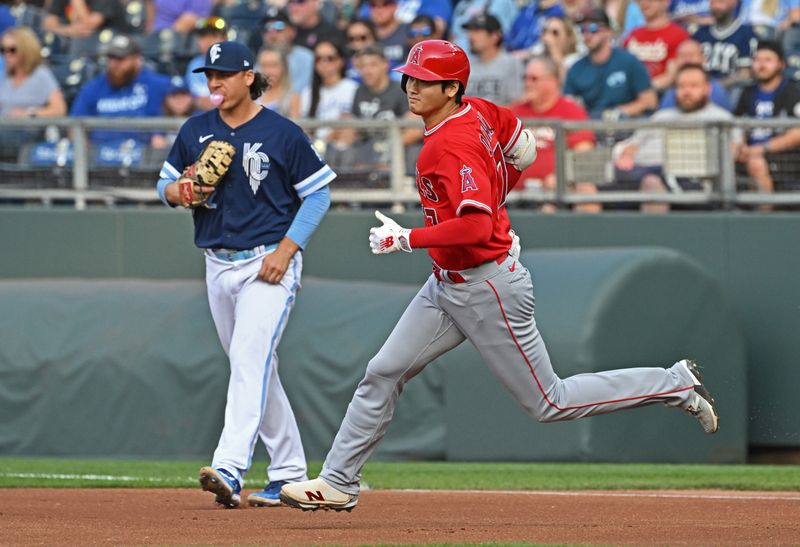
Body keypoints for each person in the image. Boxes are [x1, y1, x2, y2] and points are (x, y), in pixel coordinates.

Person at [279, 39, 720, 512]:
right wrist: (497, 191)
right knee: (383, 371)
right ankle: (339, 481)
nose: (410, 86)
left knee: (550, 401)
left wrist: (406, 239)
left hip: (487, 285)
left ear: (451, 88)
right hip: (449, 283)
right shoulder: (481, 110)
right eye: (409, 76)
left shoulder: (448, 145)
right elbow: (524, 149)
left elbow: (475, 225)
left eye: (423, 80)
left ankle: (672, 384)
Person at [155, 40, 335, 509]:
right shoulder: (196, 129)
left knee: (249, 358)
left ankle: (231, 467)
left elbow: (317, 196)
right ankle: (291, 474)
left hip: (267, 263)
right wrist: (181, 190)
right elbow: (164, 184)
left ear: (249, 77)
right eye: (209, 75)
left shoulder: (282, 132)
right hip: (217, 262)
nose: (215, 82)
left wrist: (286, 250)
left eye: (225, 74)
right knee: (253, 366)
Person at [614, 63, 742, 212]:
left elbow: (732, 152)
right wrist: (626, 154)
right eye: (681, 86)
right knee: (589, 186)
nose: (686, 92)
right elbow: (632, 145)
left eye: (694, 86)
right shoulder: (660, 117)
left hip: (690, 179)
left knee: (652, 182)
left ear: (708, 88)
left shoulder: (722, 119)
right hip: (638, 173)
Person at [511, 55, 600, 212]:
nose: (527, 83)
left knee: (586, 189)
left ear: (553, 81)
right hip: (514, 194)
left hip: (557, 192)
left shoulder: (571, 111)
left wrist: (561, 177)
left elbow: (583, 156)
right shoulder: (515, 112)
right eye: (525, 78)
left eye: (534, 79)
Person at [69, 34, 170, 144]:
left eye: (121, 59)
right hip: (100, 155)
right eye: (111, 58)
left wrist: (159, 137)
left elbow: (178, 113)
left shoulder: (157, 85)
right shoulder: (93, 88)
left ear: (137, 59)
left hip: (145, 155)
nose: (114, 64)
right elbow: (75, 127)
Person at [564, 8, 658, 119]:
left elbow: (650, 101)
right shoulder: (576, 69)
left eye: (593, 28)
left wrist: (618, 112)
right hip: (591, 126)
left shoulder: (628, 61)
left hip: (628, 126)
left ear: (609, 31)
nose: (587, 34)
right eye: (582, 29)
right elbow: (568, 105)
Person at [734, 40, 800, 195]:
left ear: (781, 64)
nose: (761, 65)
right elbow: (736, 125)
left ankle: (764, 216)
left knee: (756, 163)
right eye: (757, 60)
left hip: (785, 158)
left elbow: (798, 133)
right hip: (747, 154)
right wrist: (741, 146)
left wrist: (762, 149)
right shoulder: (747, 92)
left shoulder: (793, 91)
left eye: (768, 60)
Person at [343, 45, 422, 168]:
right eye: (362, 66)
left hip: (396, 154)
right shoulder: (360, 91)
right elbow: (352, 128)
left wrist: (388, 150)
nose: (367, 70)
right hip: (366, 151)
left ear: (385, 64)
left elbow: (415, 129)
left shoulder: (400, 90)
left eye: (373, 65)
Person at [0, 26, 67, 156]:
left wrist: (28, 113)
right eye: (3, 50)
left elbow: (59, 109)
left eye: (12, 50)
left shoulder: (41, 75)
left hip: (29, 133)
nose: (6, 54)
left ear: (25, 50)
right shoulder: (4, 77)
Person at [299, 40, 359, 166]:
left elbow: (349, 124)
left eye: (330, 58)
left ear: (341, 60)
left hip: (342, 150)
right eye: (319, 59)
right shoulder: (308, 93)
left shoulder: (353, 88)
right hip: (314, 150)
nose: (324, 63)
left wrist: (328, 139)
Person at [623, 0, 690, 93]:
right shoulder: (632, 35)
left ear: (665, 2)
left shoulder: (679, 35)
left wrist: (641, 89)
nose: (644, 3)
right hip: (630, 93)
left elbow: (671, 77)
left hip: (661, 94)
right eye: (639, 1)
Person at [462, 13, 524, 106]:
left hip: (500, 119)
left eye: (477, 31)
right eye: (470, 31)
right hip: (470, 119)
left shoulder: (511, 63)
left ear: (495, 36)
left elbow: (517, 102)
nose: (471, 36)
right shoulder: (465, 65)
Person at [692, 0, 758, 88]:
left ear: (734, 3)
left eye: (721, 2)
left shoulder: (746, 34)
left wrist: (716, 87)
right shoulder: (700, 33)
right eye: (713, 3)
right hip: (699, 88)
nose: (716, 7)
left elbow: (745, 73)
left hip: (731, 90)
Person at [659, 39, 733, 111]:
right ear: (676, 61)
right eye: (683, 56)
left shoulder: (715, 90)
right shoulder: (671, 92)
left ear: (703, 59)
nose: (687, 60)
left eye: (691, 55)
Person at [257, 9, 314, 96]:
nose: (272, 34)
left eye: (279, 26)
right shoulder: (261, 58)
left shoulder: (306, 58)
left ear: (292, 32)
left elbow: (304, 91)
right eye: (267, 27)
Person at [185, 16, 228, 112]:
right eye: (203, 37)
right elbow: (199, 100)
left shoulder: (235, 63)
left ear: (225, 39)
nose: (208, 41)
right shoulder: (194, 65)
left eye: (214, 36)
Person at [449, 0, 518, 51]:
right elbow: (452, 36)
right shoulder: (462, 4)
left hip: (486, 59)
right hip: (457, 56)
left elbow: (505, 35)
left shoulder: (503, 2)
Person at [151, 76, 198, 149]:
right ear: (166, 99)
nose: (179, 100)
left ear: (191, 97)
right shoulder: (161, 116)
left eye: (183, 95)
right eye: (174, 96)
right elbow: (156, 140)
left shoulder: (201, 117)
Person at [42, 0, 131, 38]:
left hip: (103, 50)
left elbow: (87, 26)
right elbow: (48, 24)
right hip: (72, 48)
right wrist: (68, 30)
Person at [256, 46, 301, 118]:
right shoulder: (252, 96)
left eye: (273, 65)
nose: (268, 72)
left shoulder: (292, 97)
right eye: (264, 65)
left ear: (284, 67)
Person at [147, 0, 212, 33]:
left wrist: (171, 34)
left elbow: (190, 19)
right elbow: (151, 6)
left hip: (179, 37)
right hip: (155, 34)